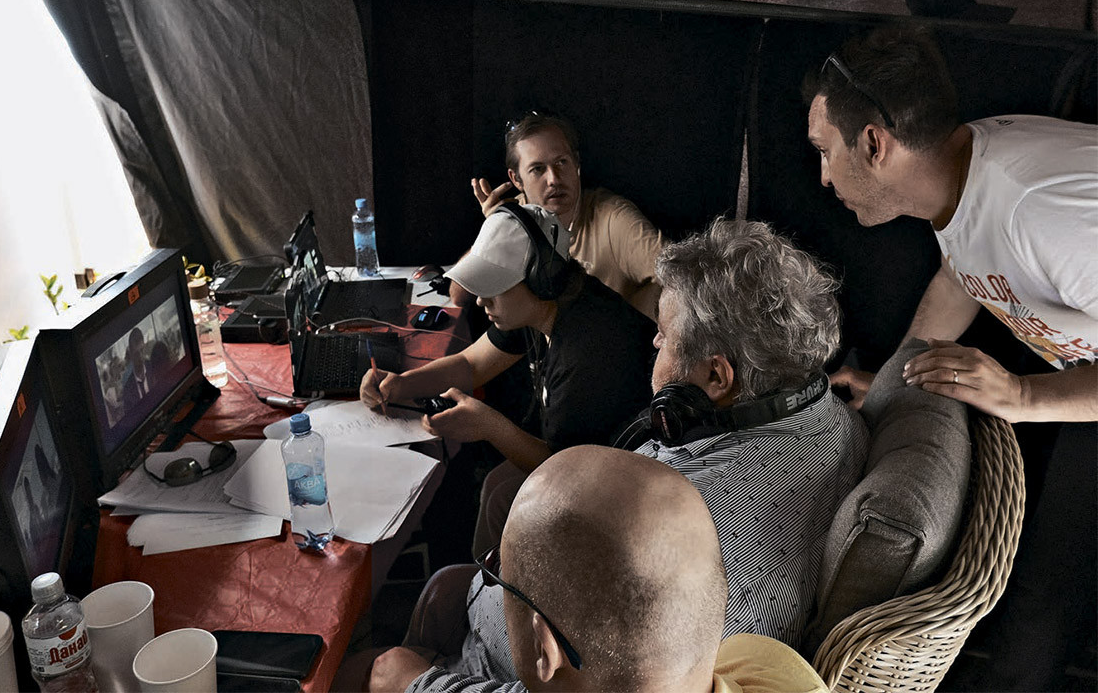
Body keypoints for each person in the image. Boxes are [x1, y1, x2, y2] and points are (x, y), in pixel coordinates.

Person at [363, 219, 865, 688]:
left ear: (716, 376)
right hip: (518, 621)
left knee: (375, 668)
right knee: (448, 586)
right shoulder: (834, 416)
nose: (654, 342)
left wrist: (422, 680)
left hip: (500, 666)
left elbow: (589, 677)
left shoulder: (670, 524)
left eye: (665, 337)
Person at [805, 23, 1097, 690]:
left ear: (873, 143)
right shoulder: (958, 176)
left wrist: (1024, 396)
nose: (821, 176)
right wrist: (895, 379)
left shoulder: (1035, 208)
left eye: (824, 151)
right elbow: (961, 272)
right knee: (1040, 609)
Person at [366, 445, 830, 693]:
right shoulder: (768, 663)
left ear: (545, 649)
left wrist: (414, 683)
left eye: (497, 573)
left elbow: (388, 672)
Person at [360, 203, 655, 478]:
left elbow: (563, 473)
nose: (480, 300)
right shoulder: (540, 305)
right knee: (495, 487)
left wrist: (489, 426)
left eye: (494, 286)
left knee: (498, 490)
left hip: (616, 478)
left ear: (542, 279)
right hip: (575, 464)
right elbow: (471, 365)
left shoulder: (585, 355)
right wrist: (402, 384)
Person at [460, 112, 663, 320]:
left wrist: (637, 314)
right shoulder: (515, 216)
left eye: (561, 162)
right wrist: (494, 231)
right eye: (538, 169)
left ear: (576, 163)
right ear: (516, 179)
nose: (553, 179)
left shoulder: (613, 218)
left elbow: (680, 277)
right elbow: (458, 296)